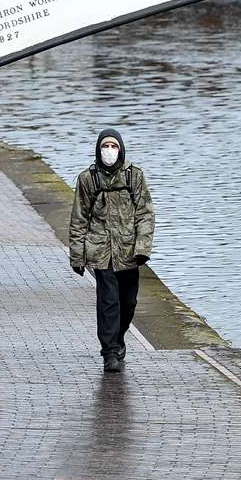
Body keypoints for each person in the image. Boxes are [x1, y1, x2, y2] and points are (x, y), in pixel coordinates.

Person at [69, 128, 155, 373]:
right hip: (100, 252)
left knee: (128, 303)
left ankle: (118, 340)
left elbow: (145, 214)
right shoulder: (88, 179)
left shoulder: (134, 177)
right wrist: (77, 255)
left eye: (113, 146)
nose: (109, 151)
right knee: (108, 303)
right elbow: (79, 218)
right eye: (105, 146)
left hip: (128, 251)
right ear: (98, 149)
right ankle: (109, 353)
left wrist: (142, 248)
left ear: (121, 149)